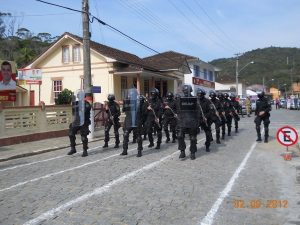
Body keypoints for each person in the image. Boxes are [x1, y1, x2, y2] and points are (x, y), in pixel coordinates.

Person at [176, 84, 200, 160]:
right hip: (182, 121)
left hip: (192, 121)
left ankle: (192, 152)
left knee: (193, 138)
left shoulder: (195, 100)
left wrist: (197, 123)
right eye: (185, 91)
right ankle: (182, 151)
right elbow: (176, 109)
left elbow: (198, 112)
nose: (186, 92)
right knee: (179, 136)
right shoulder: (179, 99)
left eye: (187, 90)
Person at [120, 89, 146, 157]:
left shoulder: (140, 102)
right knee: (125, 135)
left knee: (138, 136)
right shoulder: (127, 102)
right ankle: (125, 150)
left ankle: (139, 151)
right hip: (128, 121)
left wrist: (142, 122)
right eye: (130, 95)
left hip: (137, 121)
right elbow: (123, 111)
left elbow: (143, 113)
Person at [67, 91, 91, 157]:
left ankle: (85, 151)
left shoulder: (87, 104)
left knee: (83, 137)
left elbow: (85, 111)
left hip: (84, 122)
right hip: (77, 121)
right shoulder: (75, 103)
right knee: (71, 133)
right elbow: (73, 112)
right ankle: (73, 148)